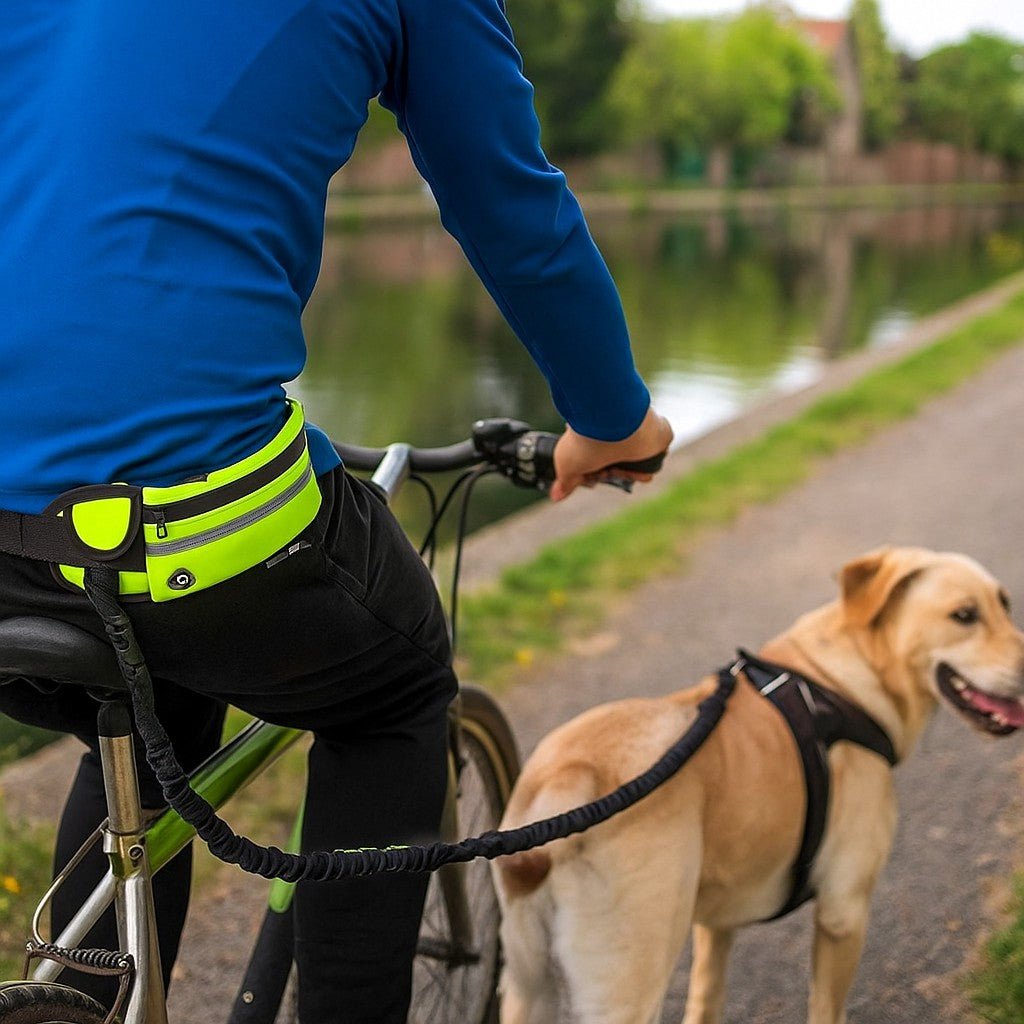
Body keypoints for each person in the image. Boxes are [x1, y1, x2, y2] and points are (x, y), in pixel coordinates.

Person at [0, 0, 673, 1021]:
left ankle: (90, 1001)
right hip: (175, 522)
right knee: (394, 688)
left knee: (150, 710)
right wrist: (612, 420)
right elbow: (509, 204)